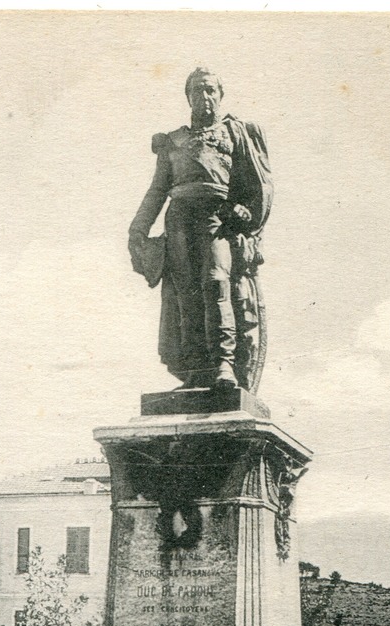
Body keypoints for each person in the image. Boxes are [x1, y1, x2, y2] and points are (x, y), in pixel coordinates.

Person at [129, 68, 273, 392]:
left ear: (220, 96)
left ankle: (224, 364)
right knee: (185, 294)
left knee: (216, 283)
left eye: (210, 90)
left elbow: (256, 185)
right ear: (188, 97)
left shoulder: (234, 134)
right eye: (197, 91)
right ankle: (196, 370)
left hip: (217, 218)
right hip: (179, 218)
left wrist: (245, 212)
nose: (204, 97)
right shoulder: (174, 141)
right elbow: (157, 190)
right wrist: (137, 229)